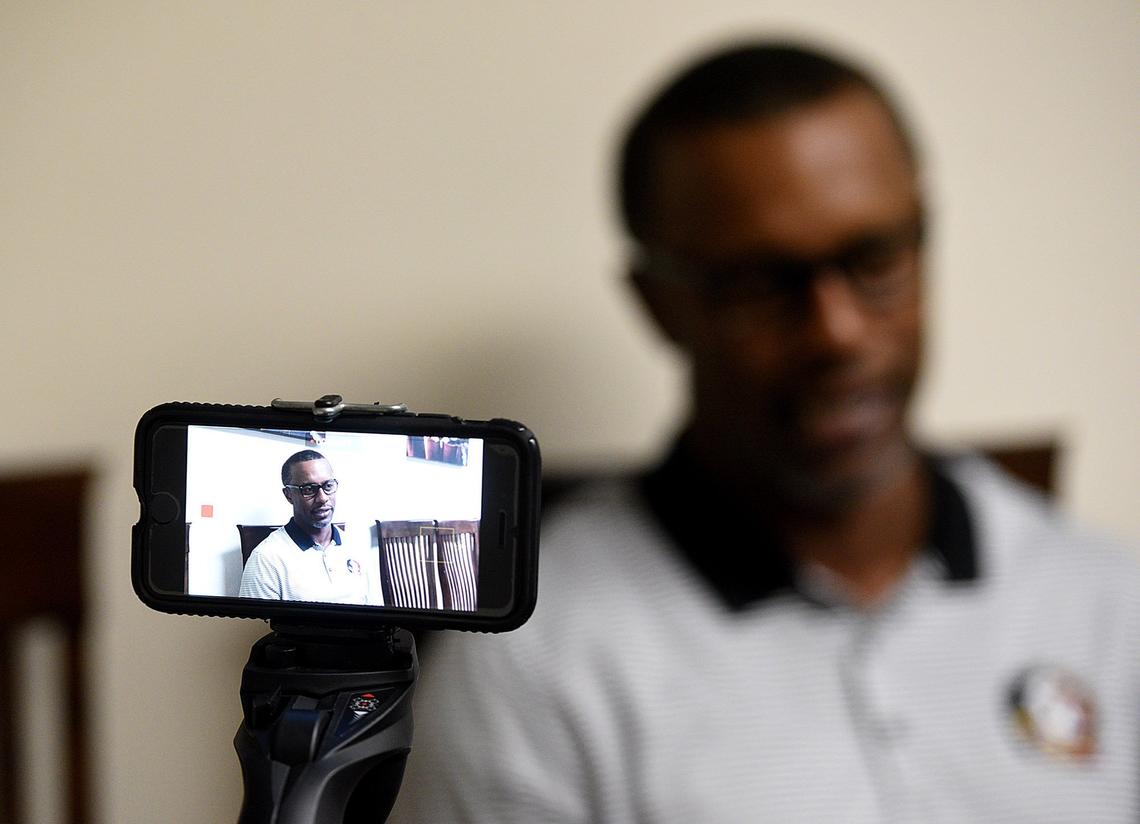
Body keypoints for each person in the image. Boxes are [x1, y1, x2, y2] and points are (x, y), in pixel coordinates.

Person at [390, 42, 1139, 822]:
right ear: (658, 304)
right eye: (761, 283)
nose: (839, 333)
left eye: (874, 258)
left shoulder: (1102, 603)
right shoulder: (528, 672)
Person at [238, 449, 380, 605]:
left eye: (328, 486)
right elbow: (257, 626)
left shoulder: (355, 545)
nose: (323, 498)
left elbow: (375, 609)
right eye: (308, 490)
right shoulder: (265, 559)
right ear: (288, 495)